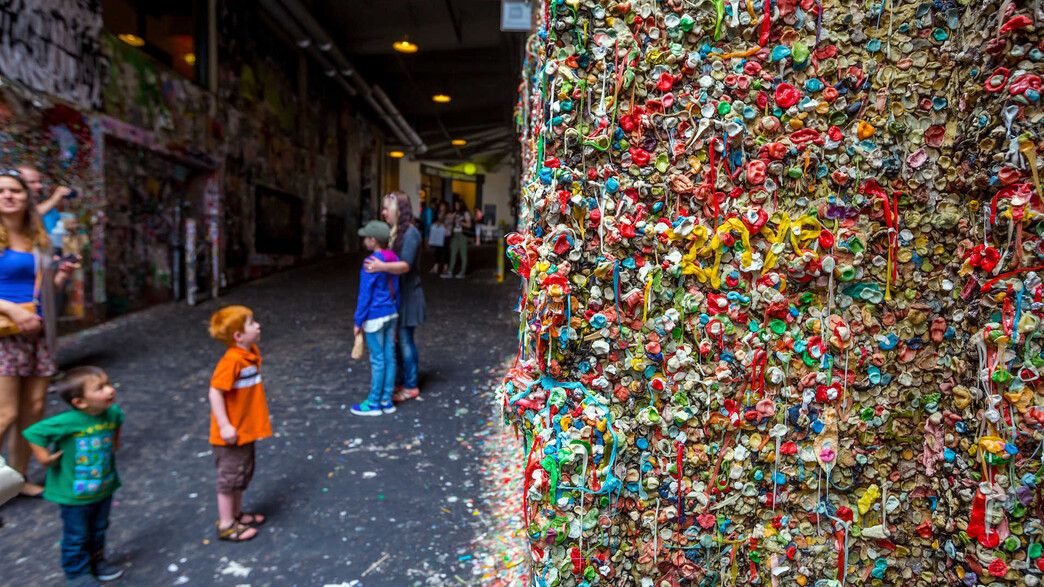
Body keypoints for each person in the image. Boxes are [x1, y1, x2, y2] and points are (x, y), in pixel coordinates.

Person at [0, 170, 77, 499]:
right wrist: (12, 309)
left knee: (33, 408)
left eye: (15, 190)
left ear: (26, 197)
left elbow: (46, 289)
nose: (8, 196)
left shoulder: (39, 238)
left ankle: (15, 480)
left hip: (38, 332)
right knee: (6, 412)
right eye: (1, 190)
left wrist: (60, 278)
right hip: (5, 333)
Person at [22, 366, 125, 586]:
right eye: (100, 388)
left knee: (99, 528)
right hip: (74, 494)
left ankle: (97, 561)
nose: (109, 390)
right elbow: (33, 432)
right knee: (77, 534)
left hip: (103, 487)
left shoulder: (112, 413)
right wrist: (44, 458)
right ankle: (77, 572)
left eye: (108, 383)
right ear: (79, 402)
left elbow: (118, 421)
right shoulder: (68, 421)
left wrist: (115, 442)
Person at [207, 305, 272, 542]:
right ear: (238, 336)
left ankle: (235, 515)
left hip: (244, 431)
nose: (258, 326)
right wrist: (225, 425)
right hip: (231, 435)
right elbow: (215, 392)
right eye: (252, 323)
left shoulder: (248, 354)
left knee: (241, 474)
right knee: (230, 477)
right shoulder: (232, 361)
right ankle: (226, 524)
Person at [364, 192, 426, 403]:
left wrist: (381, 266)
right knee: (398, 341)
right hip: (399, 295)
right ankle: (400, 382)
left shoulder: (411, 234)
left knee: (406, 341)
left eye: (386, 208)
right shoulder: (397, 233)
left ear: (398, 210)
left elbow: (406, 265)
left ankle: (411, 385)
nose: (383, 213)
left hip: (410, 296)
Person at [351, 220, 400, 416]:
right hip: (392, 313)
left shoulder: (371, 262)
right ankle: (387, 400)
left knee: (378, 359)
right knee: (389, 356)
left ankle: (373, 402)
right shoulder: (393, 257)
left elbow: (365, 295)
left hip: (374, 317)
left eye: (365, 238)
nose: (364, 241)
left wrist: (357, 321)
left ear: (373, 240)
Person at [16, 164, 72, 255]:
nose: (39, 186)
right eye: (32, 182)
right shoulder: (8, 208)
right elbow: (27, 216)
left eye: (40, 181)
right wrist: (54, 198)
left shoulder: (48, 209)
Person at [444, 198, 472, 279]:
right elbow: (447, 218)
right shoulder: (455, 213)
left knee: (463, 253)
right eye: (455, 205)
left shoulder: (465, 213)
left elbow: (469, 225)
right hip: (455, 233)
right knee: (453, 252)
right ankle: (450, 271)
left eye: (457, 205)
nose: (456, 206)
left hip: (462, 234)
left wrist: (460, 222)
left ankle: (463, 270)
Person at [429, 200, 450, 275]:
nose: (441, 207)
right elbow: (434, 221)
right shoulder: (438, 214)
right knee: (437, 251)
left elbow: (449, 225)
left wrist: (441, 224)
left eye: (443, 206)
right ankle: (436, 267)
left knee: (446, 251)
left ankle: (445, 267)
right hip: (439, 235)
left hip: (446, 235)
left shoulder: (448, 215)